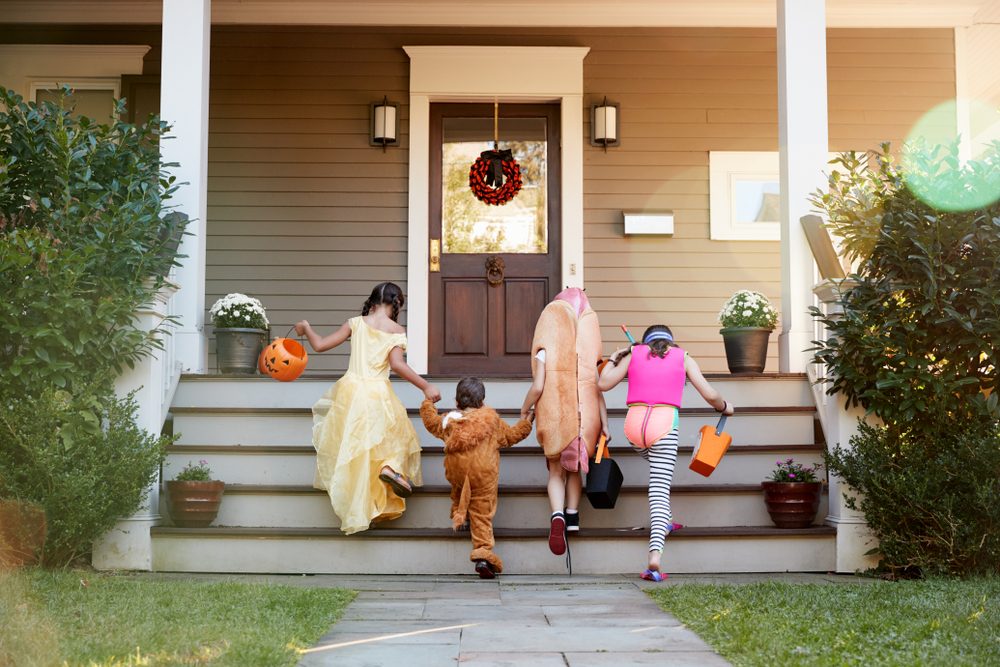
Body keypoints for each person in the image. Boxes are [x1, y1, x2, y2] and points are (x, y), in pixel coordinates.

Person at [296, 282, 441, 535]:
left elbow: (319, 345)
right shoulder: (396, 330)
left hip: (350, 392)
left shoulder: (355, 323)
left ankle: (360, 509)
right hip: (378, 392)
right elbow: (397, 365)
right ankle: (389, 469)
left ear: (373, 300)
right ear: (397, 304)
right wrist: (425, 386)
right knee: (392, 438)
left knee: (357, 451)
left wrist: (307, 328)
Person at [598, 324, 735, 581]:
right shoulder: (683, 357)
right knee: (660, 488)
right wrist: (726, 406)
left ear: (646, 341)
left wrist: (615, 357)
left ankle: (667, 519)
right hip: (663, 424)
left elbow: (603, 383)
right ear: (671, 341)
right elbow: (710, 394)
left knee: (659, 470)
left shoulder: (634, 354)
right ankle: (654, 557)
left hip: (634, 428)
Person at [521, 287, 608, 557]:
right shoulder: (590, 346)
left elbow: (538, 387)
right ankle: (572, 517)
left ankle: (556, 515)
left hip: (556, 414)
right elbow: (598, 386)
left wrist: (524, 410)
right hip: (586, 416)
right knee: (575, 470)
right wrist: (605, 424)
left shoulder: (547, 344)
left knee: (556, 471)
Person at [420, 377, 533, 579]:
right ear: (482, 402)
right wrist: (526, 423)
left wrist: (428, 403)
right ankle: (482, 554)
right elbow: (512, 436)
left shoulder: (449, 421)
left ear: (456, 402)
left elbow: (430, 422)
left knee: (458, 486)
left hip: (457, 474)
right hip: (483, 476)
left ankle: (459, 514)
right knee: (481, 512)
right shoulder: (492, 421)